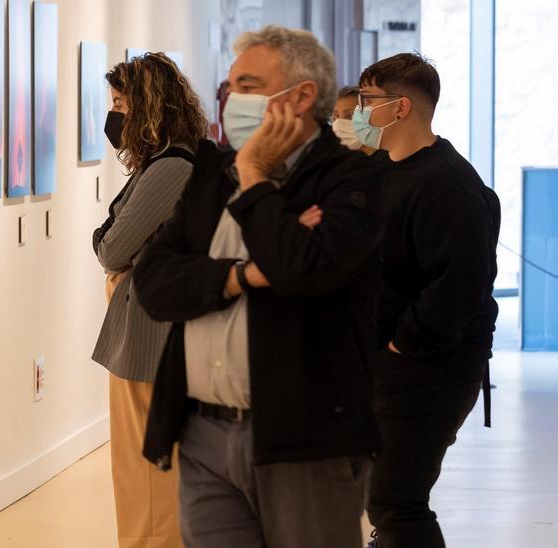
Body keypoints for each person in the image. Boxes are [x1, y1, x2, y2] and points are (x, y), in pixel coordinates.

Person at [131, 25, 384, 548]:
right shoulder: (210, 172)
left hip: (305, 437)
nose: (231, 100)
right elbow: (153, 282)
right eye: (230, 87)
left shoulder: (350, 179)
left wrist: (254, 178)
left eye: (247, 85)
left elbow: (299, 269)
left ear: (301, 95)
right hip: (203, 431)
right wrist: (239, 275)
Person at [352, 53, 500, 548]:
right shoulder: (384, 170)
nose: (358, 110)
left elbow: (460, 285)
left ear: (401, 108)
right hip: (390, 362)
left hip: (429, 366)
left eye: (368, 99)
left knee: (396, 498)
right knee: (386, 496)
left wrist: (403, 344)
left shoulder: (448, 185)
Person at [91, 52, 208, 548]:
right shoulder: (165, 163)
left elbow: (113, 246)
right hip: (149, 334)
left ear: (148, 107)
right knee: (141, 472)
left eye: (121, 104)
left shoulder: (171, 168)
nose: (115, 116)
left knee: (149, 475)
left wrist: (105, 243)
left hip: (151, 340)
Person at [332, 86, 375, 154]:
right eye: (335, 117)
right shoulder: (339, 160)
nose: (339, 123)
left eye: (349, 116)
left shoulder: (389, 161)